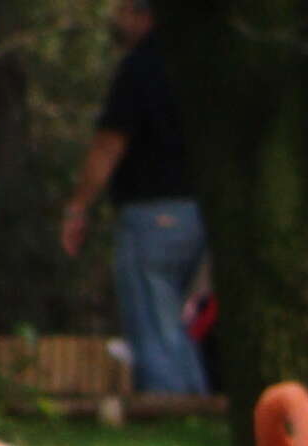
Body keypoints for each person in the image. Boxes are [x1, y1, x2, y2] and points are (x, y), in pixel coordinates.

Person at [62, 0, 209, 398]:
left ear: (139, 13)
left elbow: (109, 145)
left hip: (152, 212)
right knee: (175, 323)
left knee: (152, 326)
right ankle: (198, 402)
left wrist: (78, 206)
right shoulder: (200, 65)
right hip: (199, 214)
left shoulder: (141, 67)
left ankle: (169, 407)